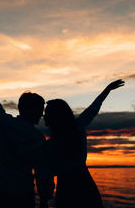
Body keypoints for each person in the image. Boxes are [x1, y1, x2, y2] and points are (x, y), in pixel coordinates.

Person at [0, 63, 51, 208]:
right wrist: (44, 200)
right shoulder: (39, 138)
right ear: (32, 110)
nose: (42, 114)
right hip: (23, 195)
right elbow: (41, 171)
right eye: (40, 110)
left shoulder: (4, 122)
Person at [43, 80, 125, 208]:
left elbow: (94, 108)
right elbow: (94, 108)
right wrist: (107, 89)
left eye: (47, 113)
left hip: (68, 190)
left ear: (55, 116)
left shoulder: (51, 144)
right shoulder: (77, 128)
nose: (44, 116)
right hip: (84, 185)